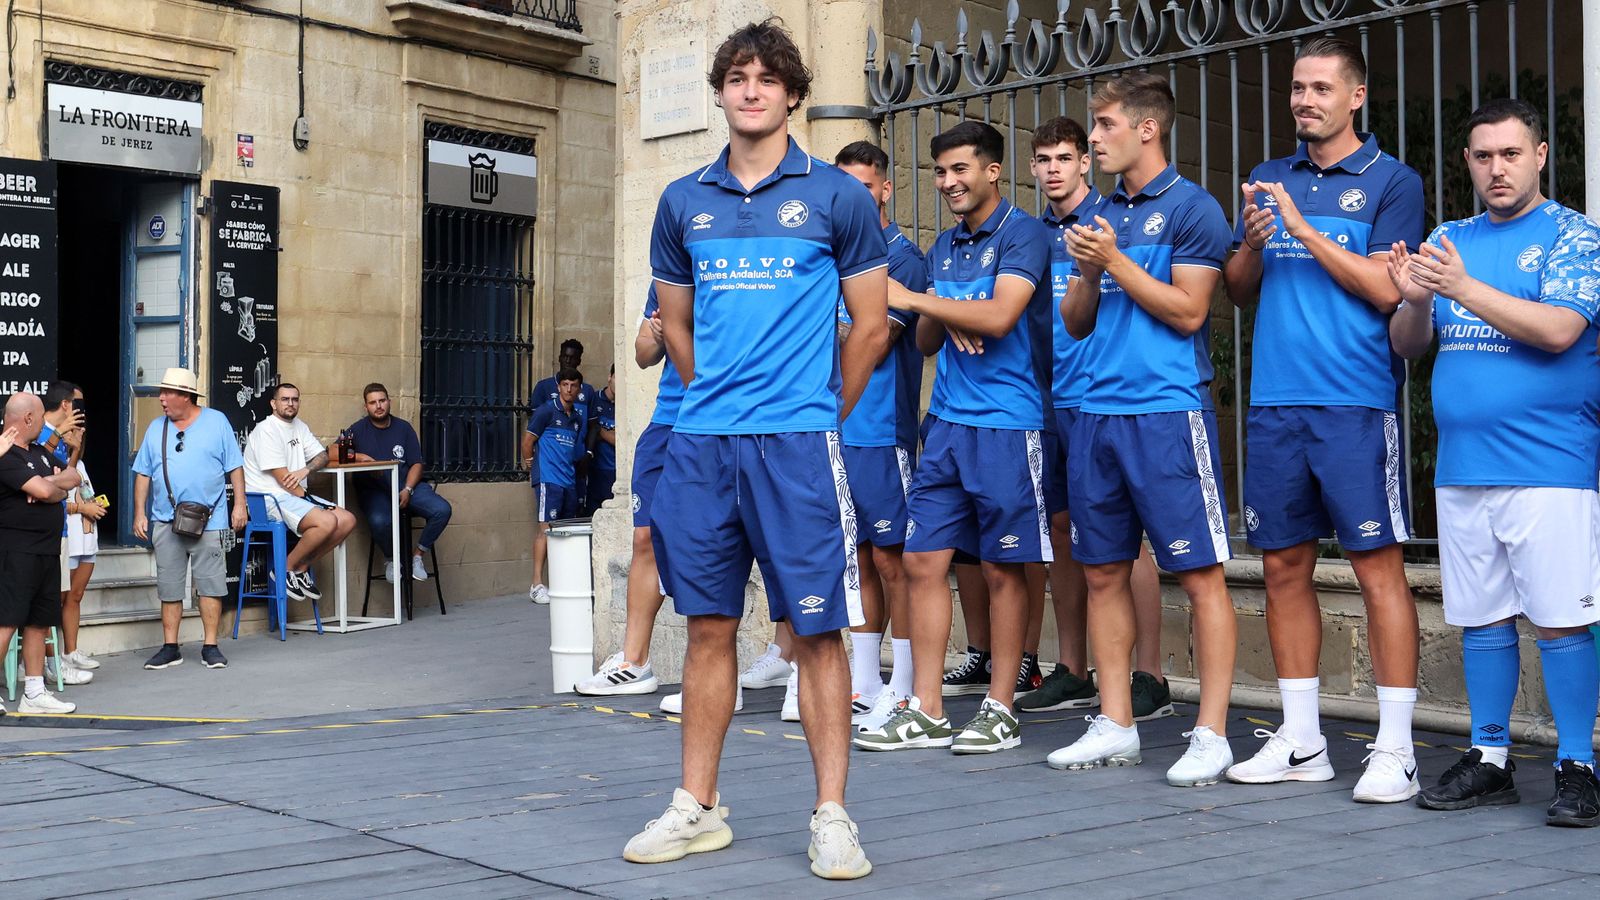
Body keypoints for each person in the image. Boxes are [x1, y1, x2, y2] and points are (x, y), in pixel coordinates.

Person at [623, 18, 885, 879]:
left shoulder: (838, 199)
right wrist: (707, 397)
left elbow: (873, 329)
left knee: (816, 633)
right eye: (736, 76)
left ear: (792, 94)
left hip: (799, 446)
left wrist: (815, 411)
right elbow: (676, 320)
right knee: (707, 627)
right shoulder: (681, 200)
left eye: (767, 78)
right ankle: (696, 806)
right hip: (701, 447)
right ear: (721, 91)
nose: (750, 90)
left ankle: (833, 815)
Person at [1221, 37, 1426, 802]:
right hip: (1276, 402)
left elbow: (1386, 288)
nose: (1304, 100)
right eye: (1297, 88)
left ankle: (1397, 750)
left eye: (1319, 88)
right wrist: (1251, 241)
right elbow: (1240, 290)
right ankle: (1303, 740)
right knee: (1281, 568)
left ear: (1355, 97)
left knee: (1378, 571)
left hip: (1355, 403)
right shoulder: (1269, 177)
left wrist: (1303, 231)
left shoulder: (1391, 182)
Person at [1388, 97, 1600, 827]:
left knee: (1562, 622)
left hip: (1549, 463)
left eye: (1511, 154)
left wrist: (1461, 288)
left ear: (1541, 155)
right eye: (1483, 156)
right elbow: (1411, 343)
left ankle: (1579, 764)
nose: (1496, 169)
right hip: (1464, 464)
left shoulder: (1574, 237)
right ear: (1468, 162)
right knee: (1482, 621)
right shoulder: (1450, 237)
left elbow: (1559, 329)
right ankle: (1491, 760)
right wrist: (1415, 299)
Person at [1049, 73, 1238, 787]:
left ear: (1146, 128)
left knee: (1199, 573)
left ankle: (1212, 732)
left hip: (1164, 414)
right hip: (1095, 414)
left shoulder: (1194, 208)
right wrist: (1090, 274)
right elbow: (1073, 321)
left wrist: (1115, 262)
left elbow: (1190, 312)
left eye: (1102, 125)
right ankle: (1116, 722)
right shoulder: (1096, 213)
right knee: (1101, 571)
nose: (1091, 138)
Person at [852, 120, 1052, 757]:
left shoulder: (1025, 234)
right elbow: (929, 339)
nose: (948, 183)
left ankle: (999, 708)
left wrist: (926, 299)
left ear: (993, 171)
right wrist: (940, 309)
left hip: (1007, 426)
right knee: (921, 562)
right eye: (940, 172)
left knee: (1001, 568)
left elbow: (998, 316)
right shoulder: (942, 248)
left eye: (960, 170)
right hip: (945, 425)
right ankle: (927, 708)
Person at [1017, 116, 1168, 719]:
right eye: (1043, 158)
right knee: (1063, 535)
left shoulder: (1112, 219)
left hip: (1107, 399)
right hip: (1048, 402)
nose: (1054, 168)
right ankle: (1074, 669)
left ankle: (1149, 676)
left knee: (1130, 542)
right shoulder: (1028, 235)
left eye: (1065, 157)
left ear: (1085, 162)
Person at [831, 140, 926, 730]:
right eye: (844, 188)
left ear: (885, 189)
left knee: (896, 561)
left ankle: (907, 681)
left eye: (864, 186)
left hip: (883, 431)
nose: (854, 198)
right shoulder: (835, 255)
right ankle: (866, 681)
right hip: (839, 429)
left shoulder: (903, 258)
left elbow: (873, 338)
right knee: (860, 557)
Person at [132, 368, 247, 671]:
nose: (161, 399)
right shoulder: (156, 428)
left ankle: (211, 646)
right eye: (162, 393)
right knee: (169, 587)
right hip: (166, 520)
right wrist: (139, 512)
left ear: (185, 395)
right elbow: (143, 473)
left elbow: (235, 466)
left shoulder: (216, 421)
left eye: (167, 393)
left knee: (210, 585)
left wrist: (240, 505)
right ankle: (171, 647)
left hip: (210, 519)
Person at [0, 393, 80, 714]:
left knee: (38, 623)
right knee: (6, 622)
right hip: (16, 553)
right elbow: (50, 492)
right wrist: (50, 487)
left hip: (46, 552)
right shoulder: (5, 456)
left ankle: (34, 693)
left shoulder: (38, 452)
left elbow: (73, 477)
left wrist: (48, 481)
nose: (47, 425)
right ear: (28, 419)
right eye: (41, 418)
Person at [243, 384, 357, 602]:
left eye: (295, 399)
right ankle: (283, 570)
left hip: (293, 496)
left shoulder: (299, 426)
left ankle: (301, 568)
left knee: (347, 520)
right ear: (273, 403)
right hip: (269, 499)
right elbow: (284, 480)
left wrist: (306, 469)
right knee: (326, 522)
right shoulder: (266, 430)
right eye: (284, 399)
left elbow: (322, 456)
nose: (290, 403)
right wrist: (311, 500)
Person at [346, 383, 452, 584]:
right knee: (380, 521)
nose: (378, 406)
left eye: (382, 401)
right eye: (373, 402)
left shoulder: (403, 428)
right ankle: (392, 559)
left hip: (407, 486)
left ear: (389, 402)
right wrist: (361, 458)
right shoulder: (358, 429)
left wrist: (408, 489)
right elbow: (332, 452)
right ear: (365, 407)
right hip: (375, 491)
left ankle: (417, 556)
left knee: (442, 510)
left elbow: (416, 464)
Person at [44, 382, 102, 682]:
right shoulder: (46, 445)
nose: (80, 417)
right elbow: (51, 490)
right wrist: (81, 510)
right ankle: (50, 664)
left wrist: (90, 507)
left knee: (74, 596)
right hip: (59, 534)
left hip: (82, 536)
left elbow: (76, 483)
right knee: (55, 600)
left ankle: (69, 651)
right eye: (75, 406)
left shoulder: (74, 454)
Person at [523, 368, 586, 605]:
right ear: (559, 386)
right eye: (565, 384)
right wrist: (531, 465)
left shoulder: (577, 418)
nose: (569, 389)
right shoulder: (546, 411)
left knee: (565, 533)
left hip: (569, 481)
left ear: (579, 389)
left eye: (574, 385)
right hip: (549, 481)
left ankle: (562, 582)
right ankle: (536, 584)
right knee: (545, 529)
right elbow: (528, 442)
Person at [585, 366, 617, 515]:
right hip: (595, 471)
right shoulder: (594, 399)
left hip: (616, 472)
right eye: (617, 378)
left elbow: (621, 441)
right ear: (609, 377)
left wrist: (600, 431)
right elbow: (587, 432)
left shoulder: (626, 404)